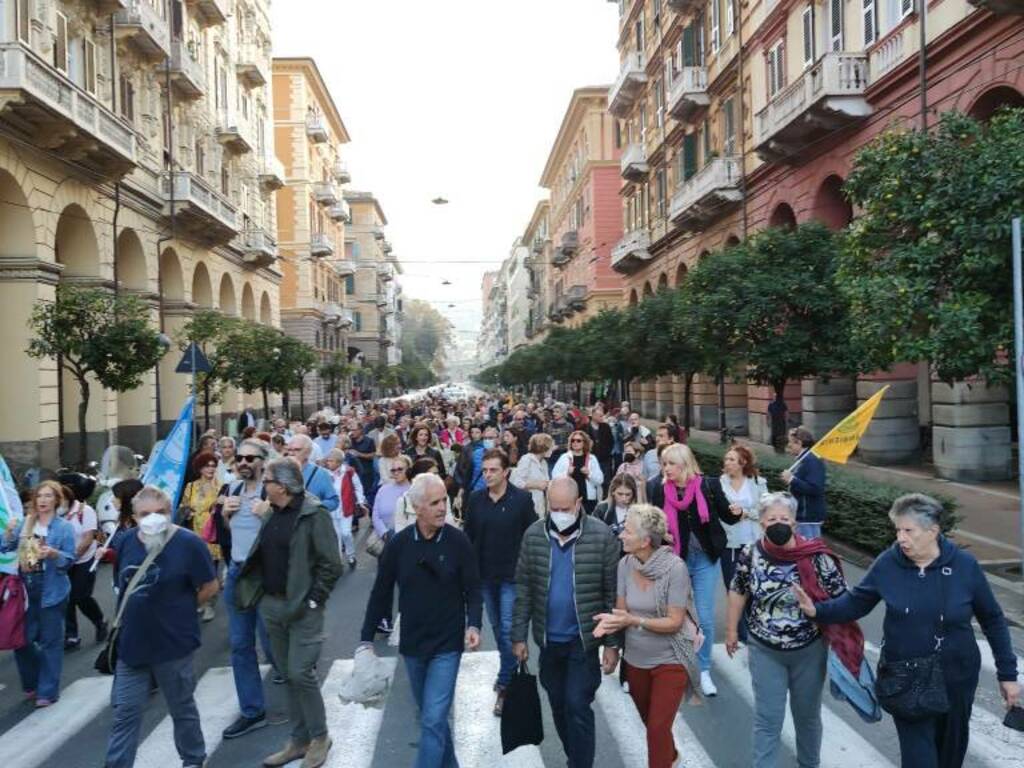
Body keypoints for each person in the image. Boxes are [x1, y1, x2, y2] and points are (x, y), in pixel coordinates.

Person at [793, 493, 1020, 768]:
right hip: (904, 678)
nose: (901, 537)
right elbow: (856, 603)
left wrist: (1007, 675)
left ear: (932, 531)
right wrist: (819, 611)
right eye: (898, 530)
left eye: (908, 530)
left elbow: (993, 619)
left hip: (956, 679)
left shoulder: (964, 566)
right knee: (919, 760)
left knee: (950, 755)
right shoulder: (889, 564)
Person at [360, 473, 482, 768]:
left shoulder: (457, 540)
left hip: (447, 644)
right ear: (416, 507)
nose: (443, 508)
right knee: (431, 717)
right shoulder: (400, 544)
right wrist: (365, 640)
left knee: (432, 718)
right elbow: (381, 592)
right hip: (413, 644)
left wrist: (474, 624)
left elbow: (473, 588)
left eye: (445, 500)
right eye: (435, 502)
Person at [725, 492, 849, 768]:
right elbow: (738, 590)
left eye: (785, 518)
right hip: (765, 649)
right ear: (761, 524)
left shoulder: (816, 556)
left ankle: (809, 763)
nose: (778, 523)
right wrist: (731, 630)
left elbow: (843, 599)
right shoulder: (751, 553)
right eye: (771, 519)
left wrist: (821, 614)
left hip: (809, 649)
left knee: (807, 716)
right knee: (768, 719)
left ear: (794, 524)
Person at [234, 458, 343, 768]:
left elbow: (331, 564)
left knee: (300, 673)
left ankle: (320, 737)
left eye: (266, 480)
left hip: (303, 607)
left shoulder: (313, 514)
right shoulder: (273, 512)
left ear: (281, 486)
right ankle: (298, 740)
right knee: (287, 673)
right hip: (272, 604)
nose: (262, 484)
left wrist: (313, 600)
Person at [104, 486, 218, 768]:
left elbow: (210, 585)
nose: (153, 519)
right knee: (125, 713)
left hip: (173, 644)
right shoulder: (126, 541)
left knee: (181, 708)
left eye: (160, 513)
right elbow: (122, 584)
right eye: (145, 514)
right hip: (132, 644)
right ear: (133, 517)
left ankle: (193, 759)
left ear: (170, 512)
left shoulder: (189, 543)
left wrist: (182, 610)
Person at [511, 478, 620, 768]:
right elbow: (523, 588)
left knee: (577, 704)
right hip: (548, 642)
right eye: (553, 507)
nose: (559, 513)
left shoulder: (601, 536)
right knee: (558, 704)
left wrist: (612, 645)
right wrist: (518, 636)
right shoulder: (534, 535)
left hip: (582, 642)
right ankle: (577, 757)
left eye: (564, 507)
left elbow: (611, 593)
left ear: (578, 504)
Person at [592, 504, 702, 768]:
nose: (620, 535)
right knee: (652, 724)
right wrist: (611, 643)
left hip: (671, 657)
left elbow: (675, 622)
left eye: (626, 531)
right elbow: (621, 611)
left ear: (644, 541)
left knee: (656, 728)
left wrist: (635, 620)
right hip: (636, 659)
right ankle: (671, 755)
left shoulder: (675, 568)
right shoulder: (624, 565)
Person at [647, 443, 741, 696]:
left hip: (705, 560)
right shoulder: (657, 488)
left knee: (706, 617)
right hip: (675, 561)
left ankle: (703, 669)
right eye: (664, 463)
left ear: (684, 465)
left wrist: (737, 511)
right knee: (675, 615)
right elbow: (653, 523)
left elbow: (727, 516)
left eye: (671, 464)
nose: (666, 468)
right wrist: (661, 534)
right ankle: (677, 663)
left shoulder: (707, 485)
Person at [463, 449, 538, 716]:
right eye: (484, 470)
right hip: (484, 575)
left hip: (512, 576)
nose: (488, 475)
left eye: (493, 470)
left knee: (507, 628)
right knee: (496, 627)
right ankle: (509, 667)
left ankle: (506, 684)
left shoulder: (521, 499)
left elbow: (533, 535)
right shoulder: (475, 499)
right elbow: (468, 536)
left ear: (506, 471)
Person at [218, 438, 280, 740]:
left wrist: (268, 513)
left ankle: (290, 676)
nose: (242, 462)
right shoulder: (232, 490)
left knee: (272, 638)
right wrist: (225, 517)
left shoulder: (275, 492)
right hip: (238, 573)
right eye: (239, 458)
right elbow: (233, 533)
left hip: (266, 575)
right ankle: (252, 711)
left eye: (250, 458)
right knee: (240, 644)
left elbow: (289, 535)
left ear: (263, 462)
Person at [0, 480, 75, 707]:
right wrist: (10, 532)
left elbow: (69, 561)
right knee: (22, 640)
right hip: (24, 587)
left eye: (48, 496)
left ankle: (47, 691)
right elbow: (5, 547)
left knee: (51, 641)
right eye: (40, 496)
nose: (43, 500)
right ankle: (33, 682)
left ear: (57, 500)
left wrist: (54, 554)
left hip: (51, 586)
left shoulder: (63, 527)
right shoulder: (26, 522)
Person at [719, 445, 768, 643]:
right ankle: (741, 632)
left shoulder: (757, 482)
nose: (727, 463)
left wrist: (745, 513)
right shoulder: (719, 483)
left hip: (752, 543)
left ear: (743, 463)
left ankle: (755, 626)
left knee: (753, 587)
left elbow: (766, 511)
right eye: (726, 459)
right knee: (733, 587)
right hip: (729, 543)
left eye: (732, 459)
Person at [58, 475, 107, 650]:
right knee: (66, 599)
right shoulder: (54, 512)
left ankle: (100, 620)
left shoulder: (86, 511)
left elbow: (87, 539)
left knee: (80, 596)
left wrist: (72, 557)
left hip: (84, 560)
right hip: (62, 561)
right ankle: (71, 635)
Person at [180, 451, 224, 622]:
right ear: (199, 468)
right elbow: (184, 506)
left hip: (212, 535)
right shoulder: (191, 487)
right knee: (196, 571)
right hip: (194, 535)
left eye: (213, 465)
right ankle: (200, 599)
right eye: (207, 465)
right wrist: (187, 512)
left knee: (210, 571)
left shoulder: (221, 486)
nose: (211, 469)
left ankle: (209, 605)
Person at [780, 426, 826, 539]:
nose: (788, 445)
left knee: (807, 550)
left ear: (799, 443)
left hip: (807, 517)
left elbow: (815, 488)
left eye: (790, 442)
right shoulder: (805, 459)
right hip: (802, 515)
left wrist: (792, 479)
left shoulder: (811, 460)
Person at [324, 445, 366, 570]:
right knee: (336, 535)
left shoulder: (349, 471)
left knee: (346, 533)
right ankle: (338, 561)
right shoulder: (325, 473)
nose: (328, 463)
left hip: (346, 508)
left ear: (338, 462)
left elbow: (358, 486)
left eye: (331, 461)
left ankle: (351, 555)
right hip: (332, 510)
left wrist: (360, 501)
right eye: (328, 460)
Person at [284, 434, 340, 517]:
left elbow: (333, 501)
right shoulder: (280, 469)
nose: (291, 453)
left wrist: (313, 506)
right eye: (289, 450)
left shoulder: (321, 474)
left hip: (309, 523)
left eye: (297, 450)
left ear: (308, 452)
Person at [552, 430, 604, 515]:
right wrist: (567, 473)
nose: (575, 442)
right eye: (573, 440)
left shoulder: (592, 458)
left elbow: (600, 480)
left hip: (588, 499)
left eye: (578, 440)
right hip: (569, 498)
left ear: (584, 443)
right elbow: (554, 477)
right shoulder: (564, 457)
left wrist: (589, 474)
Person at [510, 432, 553, 519]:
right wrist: (536, 485)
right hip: (526, 505)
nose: (552, 450)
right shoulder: (527, 459)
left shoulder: (544, 463)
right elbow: (516, 482)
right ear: (543, 447)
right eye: (550, 447)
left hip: (540, 506)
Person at [594, 473, 640, 541]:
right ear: (613, 492)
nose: (623, 498)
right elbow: (593, 533)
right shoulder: (602, 509)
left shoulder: (638, 511)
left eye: (628, 494)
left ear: (633, 494)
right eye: (620, 494)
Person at [586, 406, 614, 496]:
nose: (602, 418)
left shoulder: (606, 427)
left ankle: (605, 500)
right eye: (600, 416)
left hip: (604, 460)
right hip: (590, 460)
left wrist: (607, 452)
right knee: (591, 481)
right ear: (593, 415)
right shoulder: (585, 428)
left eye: (602, 416)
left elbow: (611, 441)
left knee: (606, 482)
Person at [455, 423, 487, 498]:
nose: (474, 435)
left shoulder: (488, 447)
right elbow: (460, 468)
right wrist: (462, 487)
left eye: (477, 432)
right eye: (472, 432)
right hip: (470, 485)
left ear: (482, 434)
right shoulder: (466, 449)